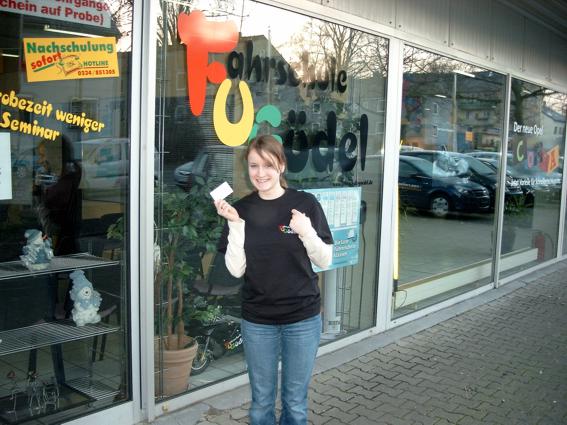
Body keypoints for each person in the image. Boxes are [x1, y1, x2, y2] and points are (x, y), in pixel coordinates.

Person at [215, 135, 333, 425]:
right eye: (254, 165)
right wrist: (235, 225)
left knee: (295, 404)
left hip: (302, 318)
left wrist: (306, 231)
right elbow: (236, 270)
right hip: (258, 320)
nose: (260, 173)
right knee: (261, 403)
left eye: (268, 165)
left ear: (281, 165)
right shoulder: (241, 210)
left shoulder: (304, 204)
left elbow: (325, 260)